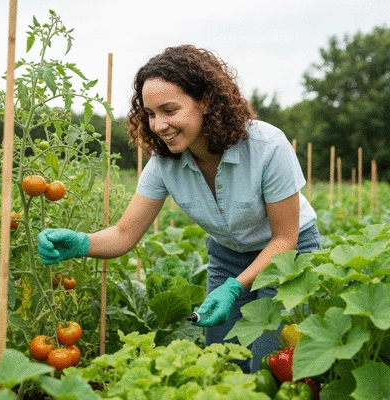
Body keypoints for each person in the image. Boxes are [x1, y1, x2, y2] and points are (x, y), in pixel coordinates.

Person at [37, 44, 322, 373]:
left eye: (169, 110)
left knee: (271, 364)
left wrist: (235, 286)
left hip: (288, 255)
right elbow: (124, 233)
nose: (158, 125)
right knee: (223, 363)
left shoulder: (266, 146)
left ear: (205, 102)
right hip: (229, 255)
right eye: (151, 114)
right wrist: (82, 242)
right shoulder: (163, 164)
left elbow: (284, 239)